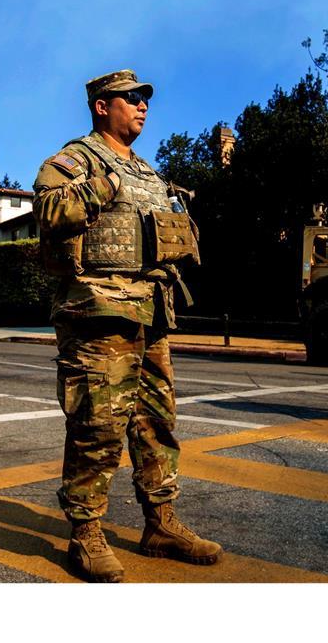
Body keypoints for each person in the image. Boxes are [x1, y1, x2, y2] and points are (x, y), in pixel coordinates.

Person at [32, 69, 221, 583]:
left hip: (152, 311)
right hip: (99, 310)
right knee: (97, 425)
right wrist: (104, 184)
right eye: (131, 98)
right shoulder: (78, 159)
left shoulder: (150, 173)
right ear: (101, 106)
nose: (142, 106)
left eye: (144, 99)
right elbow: (48, 208)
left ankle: (161, 524)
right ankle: (86, 534)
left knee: (155, 423)